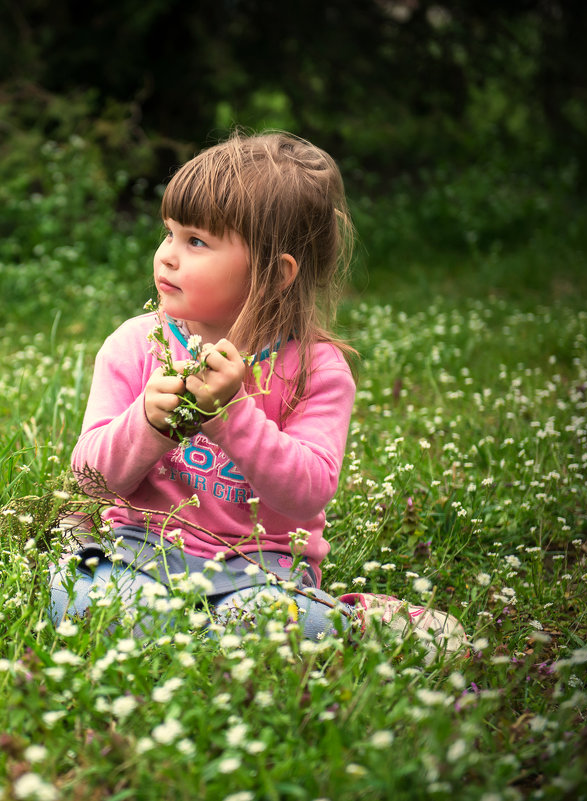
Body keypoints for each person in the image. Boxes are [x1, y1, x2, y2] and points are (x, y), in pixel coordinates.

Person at [49, 131, 465, 655]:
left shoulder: (315, 370)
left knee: (274, 624)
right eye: (169, 234)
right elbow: (90, 478)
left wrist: (231, 415)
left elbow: (307, 491)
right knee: (80, 603)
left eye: (196, 241)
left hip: (259, 569)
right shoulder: (135, 345)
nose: (167, 257)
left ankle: (355, 619)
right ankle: (197, 634)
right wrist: (148, 424)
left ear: (273, 273)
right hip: (140, 546)